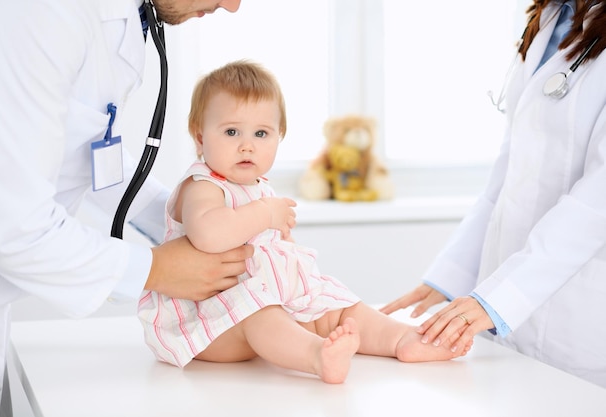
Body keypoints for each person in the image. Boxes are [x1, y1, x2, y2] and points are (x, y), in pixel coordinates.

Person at [0, 1, 253, 416]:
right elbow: (12, 227)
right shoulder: (45, 12)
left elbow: (86, 151)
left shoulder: (121, 18)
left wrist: (186, 214)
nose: (232, 5)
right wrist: (157, 268)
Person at [137, 60, 472, 384]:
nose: (247, 145)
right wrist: (266, 214)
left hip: (268, 305)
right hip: (207, 322)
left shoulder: (258, 187)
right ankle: (317, 356)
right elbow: (208, 235)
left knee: (337, 304)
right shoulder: (203, 185)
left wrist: (301, 278)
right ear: (199, 137)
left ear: (280, 136)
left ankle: (402, 339)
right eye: (231, 131)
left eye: (262, 133)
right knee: (260, 312)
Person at [381, 0, 606, 388]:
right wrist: (451, 276)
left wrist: (500, 298)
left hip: (579, 322)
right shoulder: (551, 19)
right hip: (504, 314)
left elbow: (596, 202)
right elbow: (510, 174)